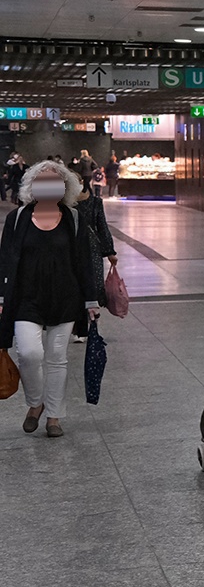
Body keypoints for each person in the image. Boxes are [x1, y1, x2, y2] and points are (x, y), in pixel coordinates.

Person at [0, 162, 98, 438]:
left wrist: (91, 300)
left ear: (65, 187)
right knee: (29, 354)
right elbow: (5, 258)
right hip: (26, 298)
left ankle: (54, 415)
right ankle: (36, 403)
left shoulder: (73, 218)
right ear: (32, 186)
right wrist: (1, 295)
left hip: (65, 297)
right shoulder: (18, 218)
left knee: (57, 359)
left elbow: (84, 262)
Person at [71, 164, 117, 342]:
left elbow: (102, 227)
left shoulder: (95, 202)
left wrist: (110, 251)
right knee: (76, 287)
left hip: (93, 249)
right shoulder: (65, 205)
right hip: (72, 249)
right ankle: (80, 328)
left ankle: (92, 324)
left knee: (94, 287)